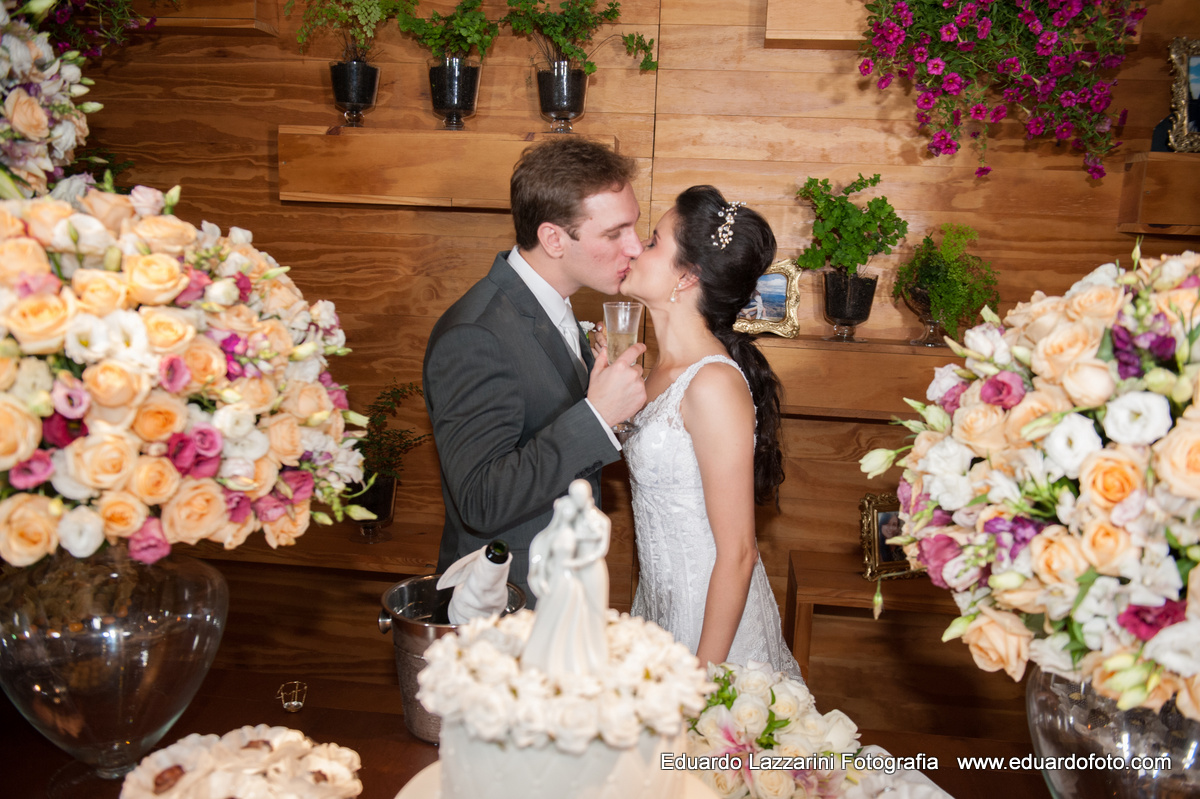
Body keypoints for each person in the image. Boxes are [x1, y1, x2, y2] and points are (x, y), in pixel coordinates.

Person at [422, 138, 648, 604]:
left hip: (561, 591)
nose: (635, 248)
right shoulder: (477, 333)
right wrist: (596, 415)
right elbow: (481, 499)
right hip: (506, 602)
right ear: (553, 238)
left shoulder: (554, 308)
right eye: (614, 233)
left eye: (635, 228)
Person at [609, 185, 801, 677]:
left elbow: (738, 552)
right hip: (658, 612)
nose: (633, 247)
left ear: (687, 277)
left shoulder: (712, 382)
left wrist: (702, 681)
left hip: (713, 632)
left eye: (652, 242)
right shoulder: (653, 370)